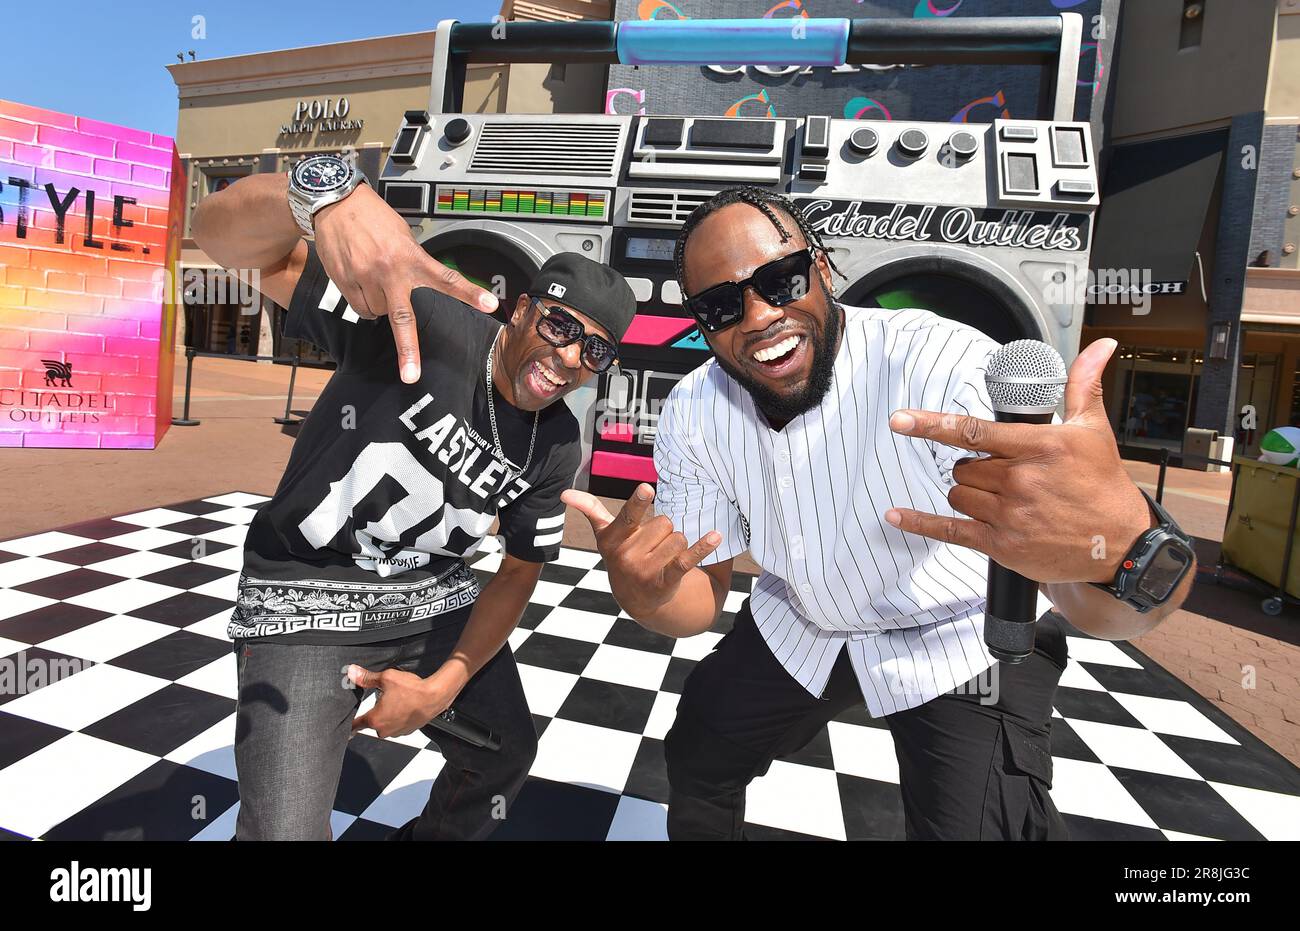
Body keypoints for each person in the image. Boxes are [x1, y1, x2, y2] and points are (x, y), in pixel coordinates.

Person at [562, 186, 1196, 840]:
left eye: (781, 280)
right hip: (803, 618)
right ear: (700, 321)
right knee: (697, 752)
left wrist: (1123, 549)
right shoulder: (695, 409)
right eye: (722, 304)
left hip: (961, 632)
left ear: (823, 270)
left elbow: (1090, 598)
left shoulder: (943, 366)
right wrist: (644, 593)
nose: (757, 317)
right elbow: (699, 600)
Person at [191, 168, 635, 840]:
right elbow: (230, 243)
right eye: (558, 323)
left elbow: (519, 569)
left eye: (593, 349)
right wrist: (316, 196)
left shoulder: (556, 444)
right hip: (305, 599)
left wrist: (446, 682)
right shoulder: (424, 321)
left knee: (505, 751)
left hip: (435, 602)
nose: (567, 354)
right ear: (521, 309)